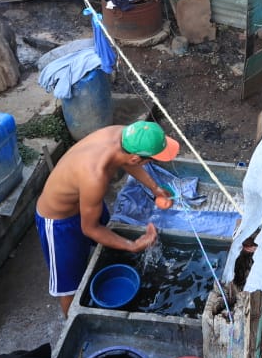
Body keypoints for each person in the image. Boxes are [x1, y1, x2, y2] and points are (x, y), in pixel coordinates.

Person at [35, 121, 180, 315]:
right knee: (69, 285)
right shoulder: (95, 176)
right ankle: (72, 326)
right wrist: (133, 245)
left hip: (85, 200)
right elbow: (90, 229)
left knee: (103, 247)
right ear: (138, 158)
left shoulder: (120, 135)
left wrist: (154, 188)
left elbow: (128, 161)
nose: (151, 163)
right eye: (151, 160)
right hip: (59, 222)